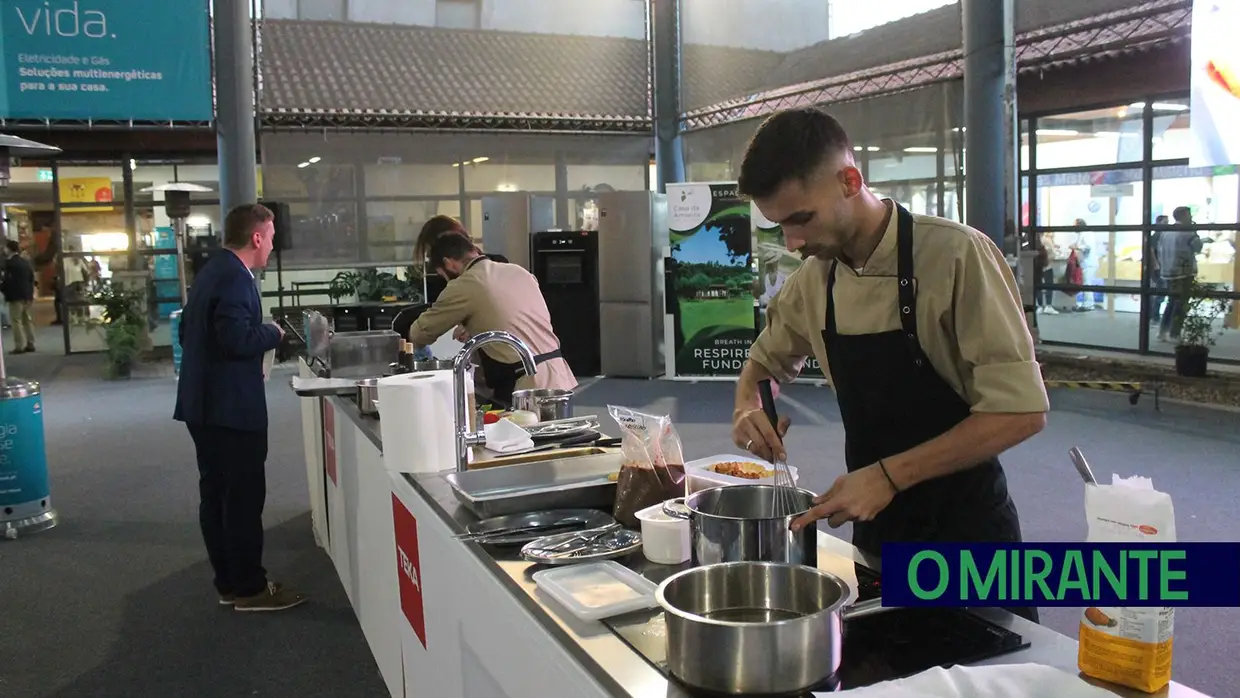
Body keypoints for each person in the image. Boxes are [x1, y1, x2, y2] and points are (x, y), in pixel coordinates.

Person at [730, 108, 1047, 623]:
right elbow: (764, 364)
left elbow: (1021, 413)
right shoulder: (815, 280)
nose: (791, 243)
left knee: (996, 671)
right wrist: (749, 406)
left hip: (971, 536)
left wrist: (888, 476)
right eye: (779, 225)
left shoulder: (956, 256)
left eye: (800, 219)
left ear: (849, 180)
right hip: (876, 535)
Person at [174, 203, 307, 613]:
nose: (272, 244)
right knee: (243, 499)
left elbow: (186, 331)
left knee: (216, 497)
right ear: (256, 237)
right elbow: (234, 338)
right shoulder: (236, 277)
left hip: (203, 406)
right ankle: (250, 588)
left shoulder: (212, 271)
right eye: (270, 237)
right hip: (231, 410)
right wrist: (272, 332)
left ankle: (230, 582)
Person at [407, 232, 576, 409]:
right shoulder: (518, 271)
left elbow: (420, 334)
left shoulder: (466, 283)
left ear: (448, 263)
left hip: (529, 386)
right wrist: (473, 324)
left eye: (443, 274)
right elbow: (511, 316)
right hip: (559, 377)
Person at [1157, 206, 1204, 343]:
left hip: (1168, 271)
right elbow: (1198, 247)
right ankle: (1174, 333)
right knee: (1181, 303)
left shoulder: (1166, 232)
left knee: (1171, 302)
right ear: (1183, 216)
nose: (1191, 218)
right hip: (1183, 273)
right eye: (1189, 215)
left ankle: (1162, 331)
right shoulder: (1188, 232)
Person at [2, 241, 36, 353]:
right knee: (27, 320)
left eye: (5, 248)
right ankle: (30, 343)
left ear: (9, 249)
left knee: (16, 320)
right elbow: (31, 278)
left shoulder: (9, 264)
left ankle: (19, 346)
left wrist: (2, 289)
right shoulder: (25, 262)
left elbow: (7, 281)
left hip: (15, 295)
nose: (4, 250)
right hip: (27, 294)